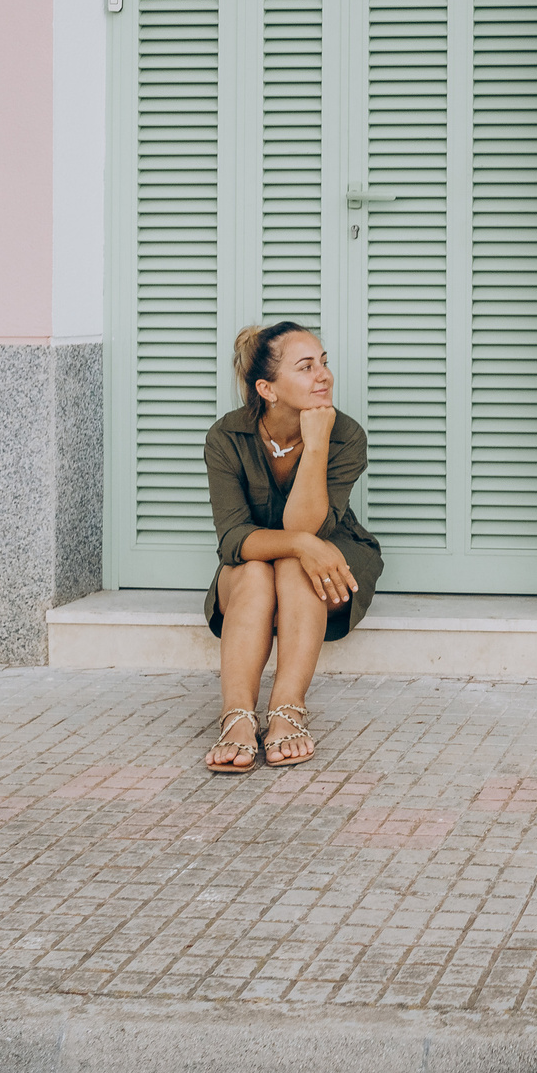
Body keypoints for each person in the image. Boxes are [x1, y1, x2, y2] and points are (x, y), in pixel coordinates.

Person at [199, 322, 384, 773]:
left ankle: (287, 710)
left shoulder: (345, 436)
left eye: (324, 362)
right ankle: (237, 717)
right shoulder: (226, 438)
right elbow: (233, 540)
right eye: (305, 367)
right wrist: (300, 543)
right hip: (255, 567)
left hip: (330, 558)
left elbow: (312, 526)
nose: (323, 375)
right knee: (259, 568)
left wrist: (316, 441)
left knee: (294, 568)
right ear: (267, 388)